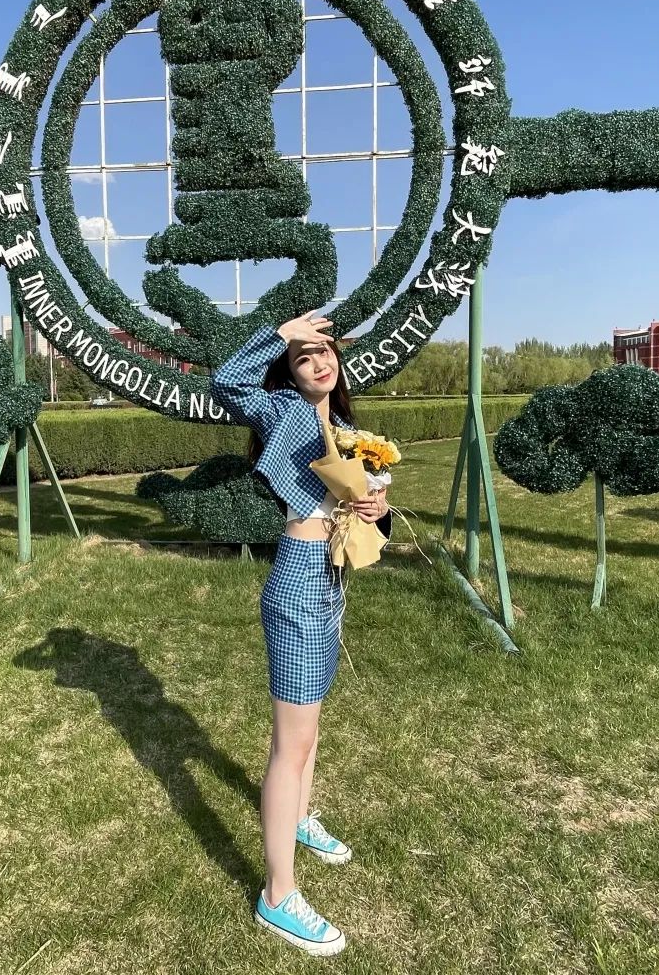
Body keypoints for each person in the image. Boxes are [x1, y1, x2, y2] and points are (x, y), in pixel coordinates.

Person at [211, 311, 391, 957]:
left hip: (332, 577)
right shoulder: (283, 411)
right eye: (303, 357)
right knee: (290, 744)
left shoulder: (348, 431)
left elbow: (373, 511)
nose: (319, 363)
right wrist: (280, 334)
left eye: (324, 352)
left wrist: (376, 506)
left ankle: (300, 818)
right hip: (296, 580)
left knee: (309, 728)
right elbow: (226, 382)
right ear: (289, 371)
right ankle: (278, 895)